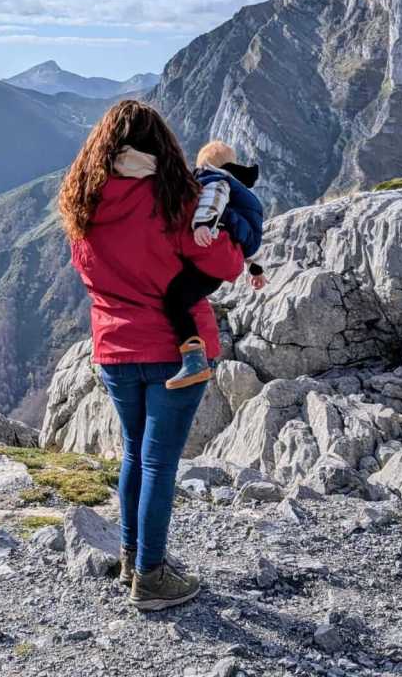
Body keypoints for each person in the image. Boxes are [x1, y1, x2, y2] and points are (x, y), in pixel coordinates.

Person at [58, 101, 244, 611]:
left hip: (115, 350)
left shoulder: (84, 204)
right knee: (160, 462)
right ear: (159, 147)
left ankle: (132, 557)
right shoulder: (175, 201)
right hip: (174, 351)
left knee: (136, 452)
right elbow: (227, 263)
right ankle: (152, 577)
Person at [164, 139, 266, 390]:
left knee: (173, 300)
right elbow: (241, 238)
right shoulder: (238, 193)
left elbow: (213, 198)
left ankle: (193, 361)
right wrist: (255, 269)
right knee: (185, 293)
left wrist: (202, 224)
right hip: (222, 264)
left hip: (210, 261)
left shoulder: (216, 180)